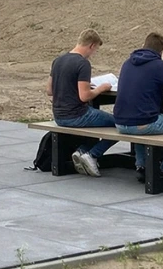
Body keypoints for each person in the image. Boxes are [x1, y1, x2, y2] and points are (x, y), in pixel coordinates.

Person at [113, 32, 163, 179]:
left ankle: (142, 165)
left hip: (120, 122)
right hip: (143, 124)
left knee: (142, 119)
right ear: (161, 50)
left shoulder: (127, 63)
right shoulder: (159, 66)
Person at [46, 29, 116, 177]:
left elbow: (49, 90)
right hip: (78, 115)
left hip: (59, 116)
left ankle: (83, 151)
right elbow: (84, 96)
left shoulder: (58, 60)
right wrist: (101, 88)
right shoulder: (82, 63)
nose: (93, 54)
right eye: (95, 49)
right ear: (91, 45)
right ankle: (92, 154)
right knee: (122, 124)